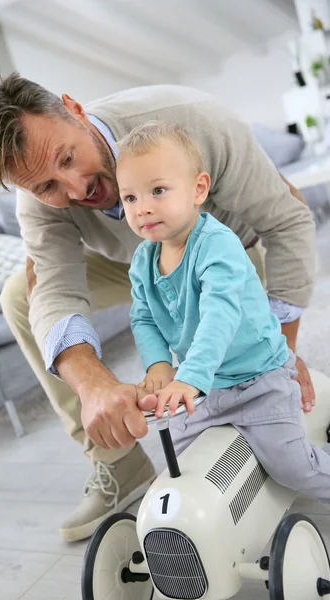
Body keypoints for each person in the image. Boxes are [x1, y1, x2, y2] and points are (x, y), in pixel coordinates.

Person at [0, 73, 316, 542]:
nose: (74, 191)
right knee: (21, 295)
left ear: (73, 108)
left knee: (252, 359)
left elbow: (288, 221)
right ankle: (118, 462)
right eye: (47, 185)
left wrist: (281, 353)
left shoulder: (194, 121)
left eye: (68, 158)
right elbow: (54, 291)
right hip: (142, 262)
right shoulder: (39, 199)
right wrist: (95, 386)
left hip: (229, 248)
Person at [116, 120, 330, 501]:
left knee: (292, 467)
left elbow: (221, 314)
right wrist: (159, 366)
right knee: (186, 465)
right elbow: (144, 316)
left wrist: (190, 377)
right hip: (205, 386)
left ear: (198, 189)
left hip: (258, 378)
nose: (143, 208)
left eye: (158, 191)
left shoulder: (217, 245)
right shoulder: (142, 260)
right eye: (130, 198)